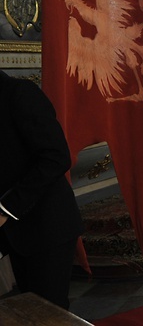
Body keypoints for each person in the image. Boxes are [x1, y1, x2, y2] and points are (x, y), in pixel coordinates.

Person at [0, 71, 83, 309]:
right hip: (16, 232)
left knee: (50, 310)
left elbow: (56, 157)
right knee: (31, 306)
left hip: (47, 225)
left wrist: (6, 209)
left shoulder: (20, 93)